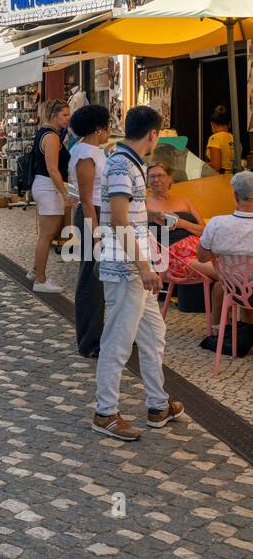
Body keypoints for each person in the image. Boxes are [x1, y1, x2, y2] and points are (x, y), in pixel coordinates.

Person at [93, 105, 185, 441]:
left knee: (153, 336)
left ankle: (158, 404)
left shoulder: (129, 163)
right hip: (126, 269)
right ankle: (105, 413)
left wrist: (151, 219)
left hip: (135, 268)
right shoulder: (121, 164)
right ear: (152, 134)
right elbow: (118, 219)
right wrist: (144, 267)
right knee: (118, 341)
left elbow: (128, 214)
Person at [67, 102, 110, 358]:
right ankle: (89, 340)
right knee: (91, 280)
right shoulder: (85, 153)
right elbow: (86, 197)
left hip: (97, 214)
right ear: (98, 128)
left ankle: (99, 334)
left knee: (98, 279)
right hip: (91, 215)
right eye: (106, 126)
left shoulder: (93, 150)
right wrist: (96, 232)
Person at [195, 169, 253, 329]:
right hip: (247, 288)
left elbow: (201, 257)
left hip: (235, 290)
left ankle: (221, 328)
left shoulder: (217, 224)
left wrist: (224, 247)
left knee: (240, 278)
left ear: (235, 196)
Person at [28, 99, 72, 294]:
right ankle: (40, 279)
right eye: (64, 115)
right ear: (54, 115)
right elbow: (53, 169)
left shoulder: (45, 133)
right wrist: (64, 194)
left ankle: (36, 270)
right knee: (47, 235)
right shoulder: (52, 137)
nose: (67, 119)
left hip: (43, 185)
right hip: (48, 187)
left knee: (46, 233)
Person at [146, 163, 205, 243]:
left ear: (170, 179)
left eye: (160, 175)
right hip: (169, 251)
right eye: (152, 176)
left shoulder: (184, 200)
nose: (156, 180)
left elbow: (205, 231)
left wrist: (182, 223)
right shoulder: (144, 205)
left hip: (198, 247)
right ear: (147, 181)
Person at [206, 105, 235, 174]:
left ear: (212, 124)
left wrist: (201, 165)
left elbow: (216, 166)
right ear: (229, 124)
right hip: (233, 176)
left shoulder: (214, 138)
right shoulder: (234, 138)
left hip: (220, 179)